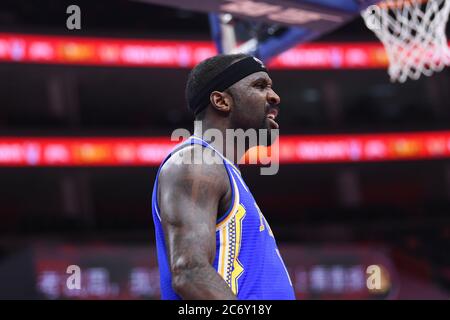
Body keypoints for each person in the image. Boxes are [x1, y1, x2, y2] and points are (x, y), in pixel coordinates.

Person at [151, 53, 295, 300]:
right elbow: (190, 273)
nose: (274, 97)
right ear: (221, 101)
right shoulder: (196, 161)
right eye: (260, 86)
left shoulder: (222, 170)